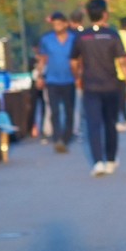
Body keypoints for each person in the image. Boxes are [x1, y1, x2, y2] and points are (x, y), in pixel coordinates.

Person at [73, 0, 126, 175]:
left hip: (90, 86)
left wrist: (77, 76)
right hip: (111, 86)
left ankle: (98, 162)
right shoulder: (112, 34)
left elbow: (73, 61)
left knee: (93, 125)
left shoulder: (82, 36)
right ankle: (111, 159)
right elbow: (122, 62)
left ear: (88, 14)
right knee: (110, 123)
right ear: (105, 14)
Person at [34, 12, 78, 154]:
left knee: (69, 110)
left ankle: (66, 137)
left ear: (65, 24)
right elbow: (42, 59)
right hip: (52, 80)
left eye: (59, 24)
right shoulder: (47, 39)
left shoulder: (74, 39)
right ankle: (58, 138)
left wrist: (79, 76)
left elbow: (79, 59)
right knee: (54, 110)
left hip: (69, 79)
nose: (57, 27)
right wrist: (40, 76)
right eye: (54, 24)